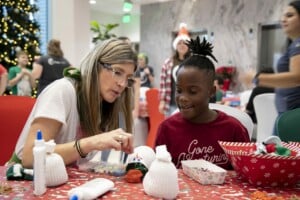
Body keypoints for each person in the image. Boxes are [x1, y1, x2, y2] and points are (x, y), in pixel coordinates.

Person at [9, 38, 137, 168]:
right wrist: (91, 143)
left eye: (128, 79)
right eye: (117, 72)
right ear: (96, 66)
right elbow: (30, 158)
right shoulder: (62, 91)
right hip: (25, 180)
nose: (122, 84)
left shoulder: (103, 104)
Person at [155, 36, 250, 170]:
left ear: (211, 91)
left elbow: (246, 174)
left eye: (192, 91)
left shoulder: (233, 130)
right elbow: (158, 175)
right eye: (179, 90)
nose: (182, 97)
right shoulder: (167, 129)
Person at [247, 0, 300, 133]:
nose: (283, 19)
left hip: (293, 115)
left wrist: (257, 78)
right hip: (286, 113)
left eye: (290, 15)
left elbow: (296, 77)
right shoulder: (293, 45)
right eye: (283, 16)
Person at [159, 23, 191, 116]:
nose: (182, 45)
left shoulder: (194, 62)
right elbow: (163, 84)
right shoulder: (168, 63)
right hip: (172, 103)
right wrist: (162, 101)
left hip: (189, 103)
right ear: (176, 46)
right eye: (179, 43)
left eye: (185, 43)